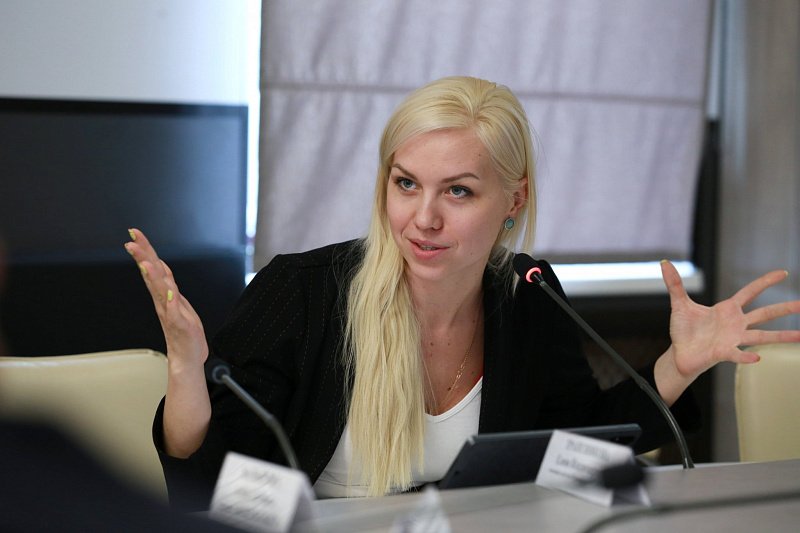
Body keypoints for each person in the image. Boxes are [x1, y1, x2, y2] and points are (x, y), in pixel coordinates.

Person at [125, 76, 800, 509]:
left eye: (458, 191)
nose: (423, 218)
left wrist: (679, 365)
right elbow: (205, 479)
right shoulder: (302, 293)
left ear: (514, 200)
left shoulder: (527, 294)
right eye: (406, 183)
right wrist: (186, 370)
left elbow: (580, 444)